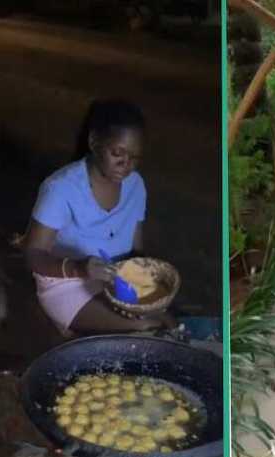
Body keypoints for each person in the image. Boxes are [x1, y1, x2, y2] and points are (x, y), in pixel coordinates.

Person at [24, 99, 175, 335]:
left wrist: (139, 285)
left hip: (116, 281)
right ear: (94, 142)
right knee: (147, 327)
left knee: (168, 322)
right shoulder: (61, 188)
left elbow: (136, 250)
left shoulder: (135, 185)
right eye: (118, 153)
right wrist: (78, 268)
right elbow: (33, 255)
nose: (126, 165)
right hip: (66, 284)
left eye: (135, 158)